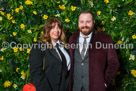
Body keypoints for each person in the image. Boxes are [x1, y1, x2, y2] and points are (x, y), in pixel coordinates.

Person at [69, 10, 120, 91]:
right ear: (78, 23)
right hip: (75, 87)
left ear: (93, 22)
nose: (84, 25)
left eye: (88, 21)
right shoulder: (72, 39)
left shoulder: (105, 39)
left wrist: (105, 82)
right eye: (82, 22)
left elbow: (114, 62)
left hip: (96, 88)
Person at [29, 18, 70, 91]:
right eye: (53, 27)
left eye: (58, 27)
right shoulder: (38, 46)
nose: (56, 31)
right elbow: (36, 72)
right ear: (47, 30)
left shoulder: (66, 46)